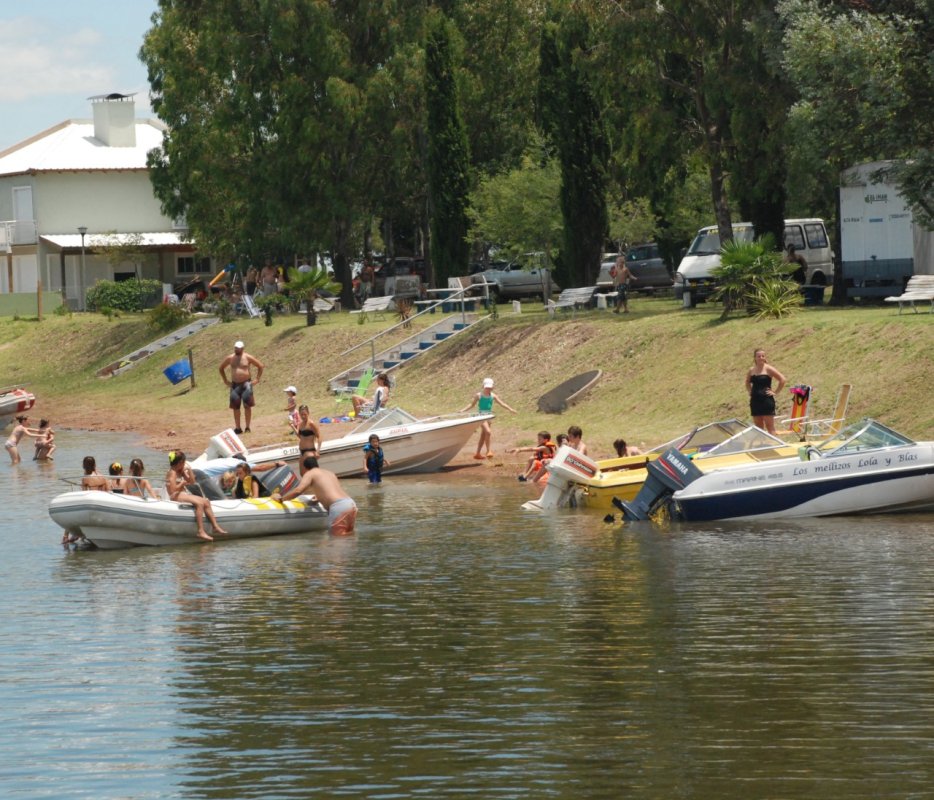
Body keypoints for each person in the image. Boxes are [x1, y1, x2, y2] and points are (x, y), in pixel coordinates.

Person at [273, 456, 357, 536]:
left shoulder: (310, 473)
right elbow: (333, 490)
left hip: (339, 507)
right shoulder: (329, 473)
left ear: (305, 468)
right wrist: (318, 497)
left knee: (337, 539)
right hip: (350, 503)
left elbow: (298, 490)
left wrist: (282, 499)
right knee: (348, 535)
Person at [165, 450, 228, 542]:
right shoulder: (172, 473)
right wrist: (182, 483)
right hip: (175, 495)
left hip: (182, 494)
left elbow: (192, 482)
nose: (184, 464)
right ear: (180, 463)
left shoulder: (180, 470)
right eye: (184, 462)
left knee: (206, 501)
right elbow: (173, 489)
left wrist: (189, 470)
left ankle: (215, 526)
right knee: (199, 503)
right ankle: (200, 531)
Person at [459, 378, 517, 460]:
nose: (488, 389)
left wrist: (510, 409)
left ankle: (478, 454)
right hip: (481, 416)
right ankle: (489, 451)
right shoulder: (479, 395)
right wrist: (462, 410)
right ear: (483, 386)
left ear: (492, 387)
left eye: (490, 387)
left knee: (483, 435)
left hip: (489, 417)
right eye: (487, 387)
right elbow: (471, 404)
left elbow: (502, 403)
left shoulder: (493, 396)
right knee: (488, 432)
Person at [219, 340, 265, 434]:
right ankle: (238, 428)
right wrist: (225, 380)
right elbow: (221, 368)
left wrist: (257, 379)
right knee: (236, 407)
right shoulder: (230, 358)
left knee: (247, 406)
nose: (236, 349)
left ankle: (247, 427)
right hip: (235, 384)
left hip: (246, 384)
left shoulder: (247, 357)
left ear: (242, 348)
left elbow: (260, 366)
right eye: (235, 347)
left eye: (238, 348)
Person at [745, 348, 787, 435]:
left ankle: (774, 445)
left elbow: (782, 379)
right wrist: (749, 391)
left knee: (769, 426)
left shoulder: (769, 369)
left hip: (766, 401)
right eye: (758, 356)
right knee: (758, 427)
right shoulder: (751, 370)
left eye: (762, 356)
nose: (761, 358)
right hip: (755, 401)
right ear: (755, 358)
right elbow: (747, 382)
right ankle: (762, 445)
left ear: (765, 357)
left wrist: (775, 392)